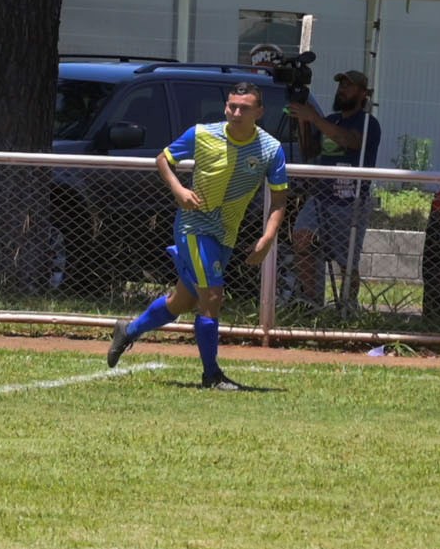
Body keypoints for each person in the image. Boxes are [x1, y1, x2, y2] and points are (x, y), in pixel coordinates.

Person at [106, 77, 289, 388]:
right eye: (232, 106)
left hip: (226, 233)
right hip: (194, 226)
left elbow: (280, 200)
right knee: (212, 296)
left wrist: (267, 238)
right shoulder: (202, 134)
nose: (236, 112)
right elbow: (163, 159)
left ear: (259, 112)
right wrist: (179, 191)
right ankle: (211, 375)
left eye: (244, 108)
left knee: (180, 301)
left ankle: (129, 330)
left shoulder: (271, 150)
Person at [284, 67, 385, 307]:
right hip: (321, 197)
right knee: (301, 238)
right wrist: (303, 123)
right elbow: (310, 152)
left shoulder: (369, 123)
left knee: (346, 260)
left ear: (363, 94)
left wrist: (314, 118)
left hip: (350, 200)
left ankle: (348, 305)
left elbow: (348, 141)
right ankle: (311, 299)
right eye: (341, 85)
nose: (342, 90)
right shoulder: (330, 120)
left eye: (349, 86)